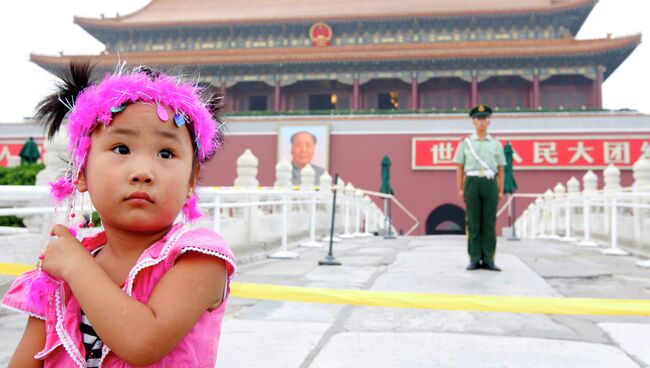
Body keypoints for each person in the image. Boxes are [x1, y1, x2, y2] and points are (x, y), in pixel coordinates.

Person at [3, 61, 236, 367]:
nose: (142, 172)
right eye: (122, 149)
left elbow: (143, 343)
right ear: (81, 172)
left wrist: (76, 266)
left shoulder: (198, 259)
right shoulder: (60, 272)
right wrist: (70, 266)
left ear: (192, 180)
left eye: (166, 154)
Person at [454, 104, 506, 272]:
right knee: (473, 222)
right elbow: (460, 168)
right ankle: (475, 258)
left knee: (489, 222)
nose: (482, 122)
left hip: (490, 182)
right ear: (473, 122)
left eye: (484, 119)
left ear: (489, 122)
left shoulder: (496, 144)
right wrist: (461, 189)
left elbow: (500, 169)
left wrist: (500, 190)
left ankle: (489, 259)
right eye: (478, 119)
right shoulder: (465, 143)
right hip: (472, 181)